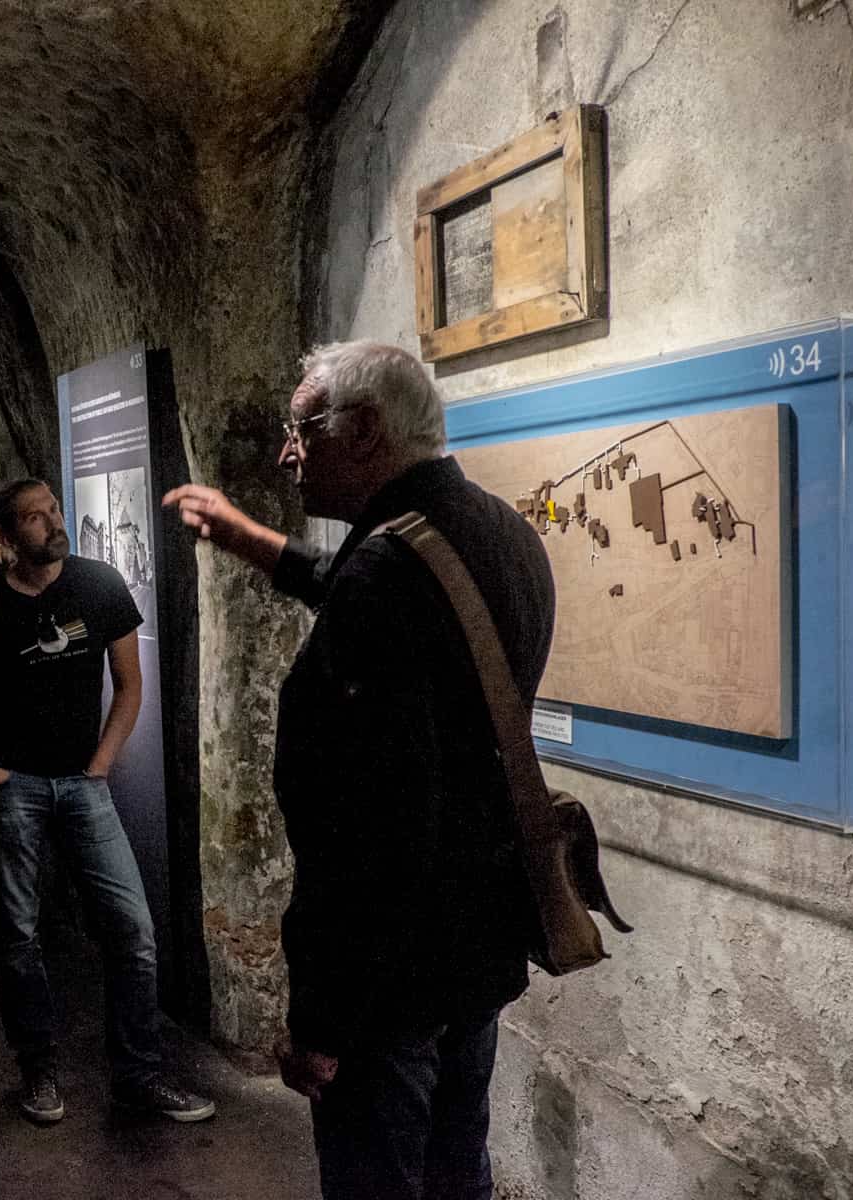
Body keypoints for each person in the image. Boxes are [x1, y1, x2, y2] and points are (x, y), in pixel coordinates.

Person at [162, 341, 555, 1200]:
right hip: (476, 946)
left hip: (391, 983)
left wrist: (322, 1022)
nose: (285, 452)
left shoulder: (383, 574)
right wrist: (251, 540)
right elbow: (391, 594)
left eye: (300, 428)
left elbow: (367, 834)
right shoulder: (499, 532)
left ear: (366, 428)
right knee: (459, 1172)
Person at [0, 479, 215, 1126]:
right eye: (34, 517)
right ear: (5, 537)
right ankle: (38, 1070)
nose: (52, 522)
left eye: (53, 509)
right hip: (14, 789)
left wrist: (101, 764)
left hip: (84, 786)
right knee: (19, 937)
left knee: (132, 929)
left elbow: (129, 683)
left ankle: (139, 1074)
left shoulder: (100, 583)